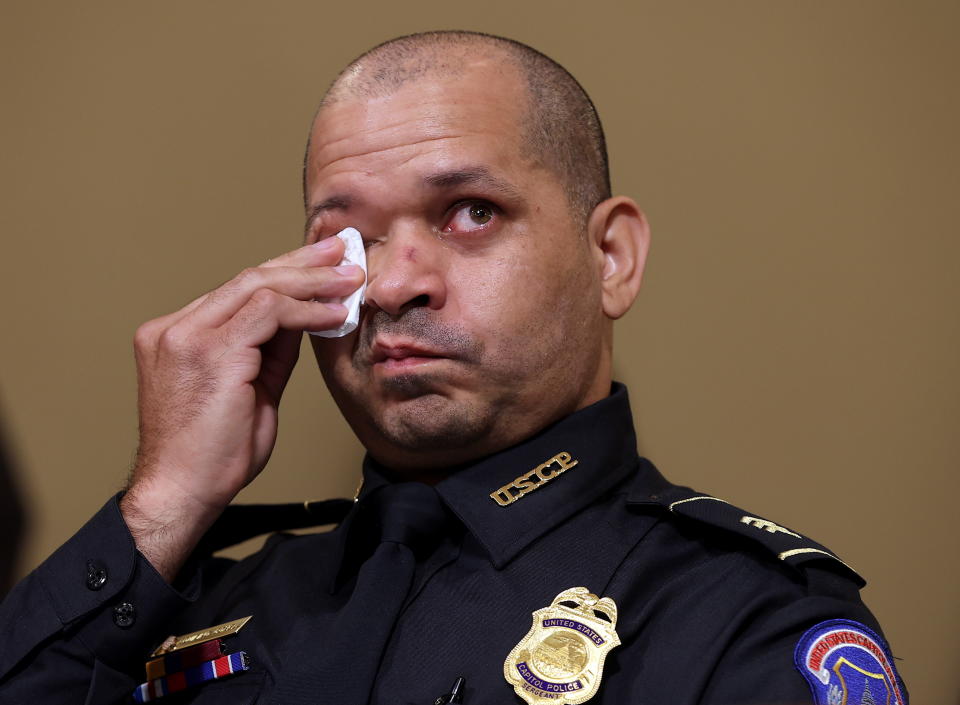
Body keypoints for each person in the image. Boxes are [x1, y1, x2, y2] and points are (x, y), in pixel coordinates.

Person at [0, 31, 907, 705]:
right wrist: (161, 507)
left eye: (471, 212)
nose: (393, 282)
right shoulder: (211, 603)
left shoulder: (742, 615)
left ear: (612, 258)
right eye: (348, 239)